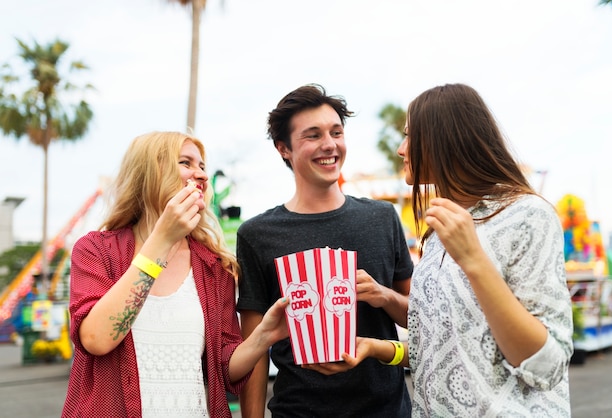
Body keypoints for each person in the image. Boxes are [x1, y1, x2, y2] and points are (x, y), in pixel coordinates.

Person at [331, 83, 574, 417]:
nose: (401, 149)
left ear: (445, 139)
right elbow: (440, 353)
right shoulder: (435, 234)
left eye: (409, 136)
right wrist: (377, 347)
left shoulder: (526, 214)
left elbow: (548, 365)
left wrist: (474, 260)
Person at [62, 131, 289, 417]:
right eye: (186, 163)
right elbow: (97, 339)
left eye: (202, 166)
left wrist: (263, 337)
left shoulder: (214, 266)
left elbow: (223, 369)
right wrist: (162, 241)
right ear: (148, 173)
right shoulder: (95, 250)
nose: (201, 176)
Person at [236, 84, 414, 417]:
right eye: (313, 135)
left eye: (336, 132)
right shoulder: (257, 235)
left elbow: (421, 320)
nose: (329, 145)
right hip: (299, 411)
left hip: (386, 410)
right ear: (283, 149)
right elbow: (255, 350)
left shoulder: (382, 218)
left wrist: (383, 296)